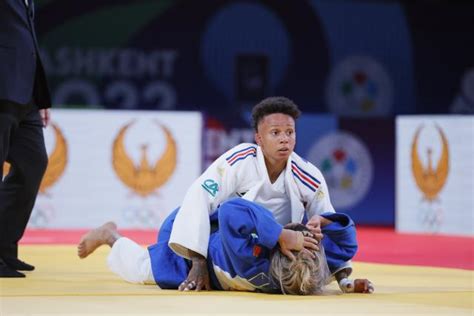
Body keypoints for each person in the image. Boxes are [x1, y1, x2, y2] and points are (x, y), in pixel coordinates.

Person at [168, 96, 341, 290]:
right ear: (259, 138)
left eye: (290, 132)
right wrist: (198, 262)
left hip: (274, 256)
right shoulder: (240, 161)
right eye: (275, 133)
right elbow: (200, 193)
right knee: (158, 269)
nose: (284, 139)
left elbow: (328, 221)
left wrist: (345, 280)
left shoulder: (309, 176)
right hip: (222, 241)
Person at [77, 198, 374, 294]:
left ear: (276, 248)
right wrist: (329, 222)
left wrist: (279, 234)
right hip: (200, 230)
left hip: (187, 247)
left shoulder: (251, 256)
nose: (300, 231)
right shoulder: (310, 271)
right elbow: (346, 247)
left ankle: (109, 236)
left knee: (142, 269)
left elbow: (233, 210)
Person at [0, 0, 52, 277]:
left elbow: (27, 45)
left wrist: (40, 96)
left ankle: (4, 248)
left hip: (25, 93)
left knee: (33, 164)